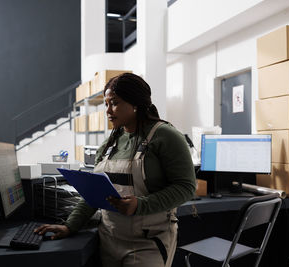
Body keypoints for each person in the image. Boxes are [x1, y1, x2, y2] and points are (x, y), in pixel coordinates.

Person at [35, 73, 196, 267]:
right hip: (109, 240)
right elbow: (93, 194)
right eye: (106, 104)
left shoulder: (165, 136)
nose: (108, 110)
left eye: (115, 103)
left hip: (149, 242)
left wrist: (140, 205)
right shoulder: (110, 143)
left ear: (135, 103)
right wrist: (70, 225)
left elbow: (186, 187)